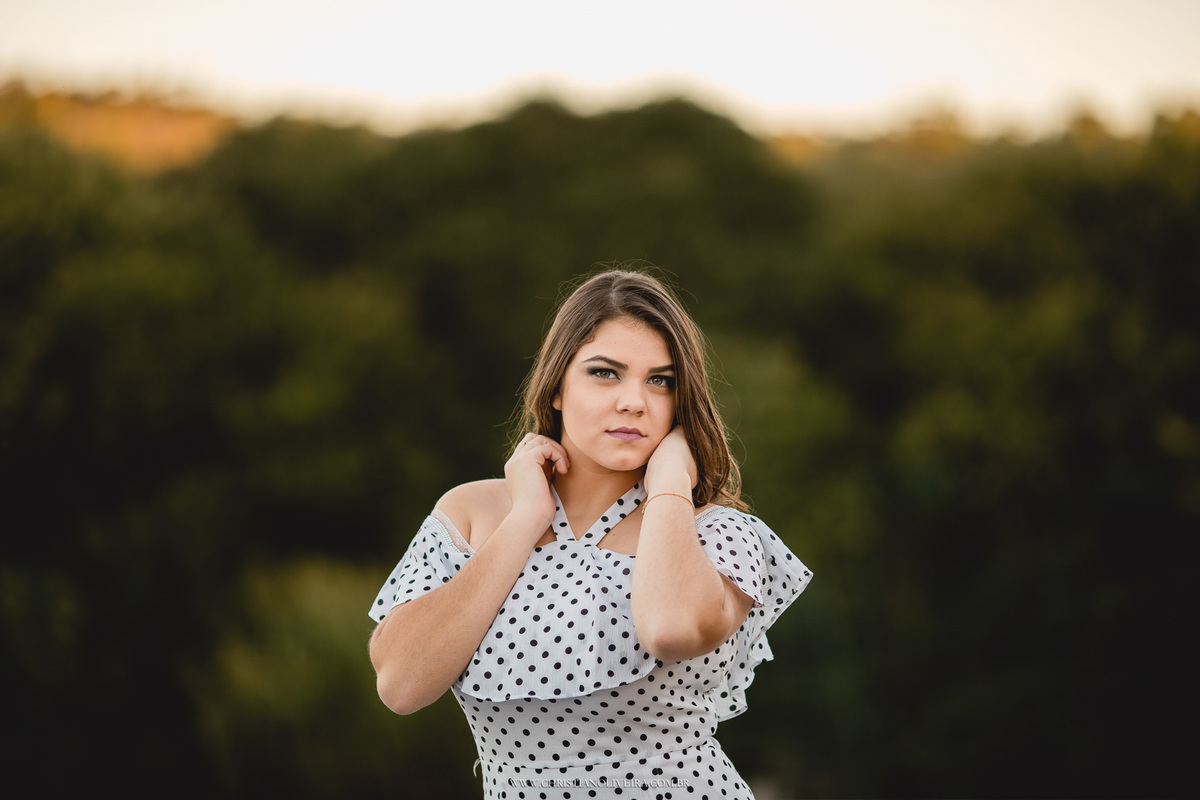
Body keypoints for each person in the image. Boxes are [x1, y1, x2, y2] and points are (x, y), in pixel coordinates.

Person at [368, 269, 812, 799]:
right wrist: (525, 519)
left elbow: (669, 629)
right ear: (556, 387)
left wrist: (670, 481)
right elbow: (401, 683)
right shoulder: (469, 512)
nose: (634, 402)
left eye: (661, 381)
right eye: (606, 373)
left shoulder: (718, 531)